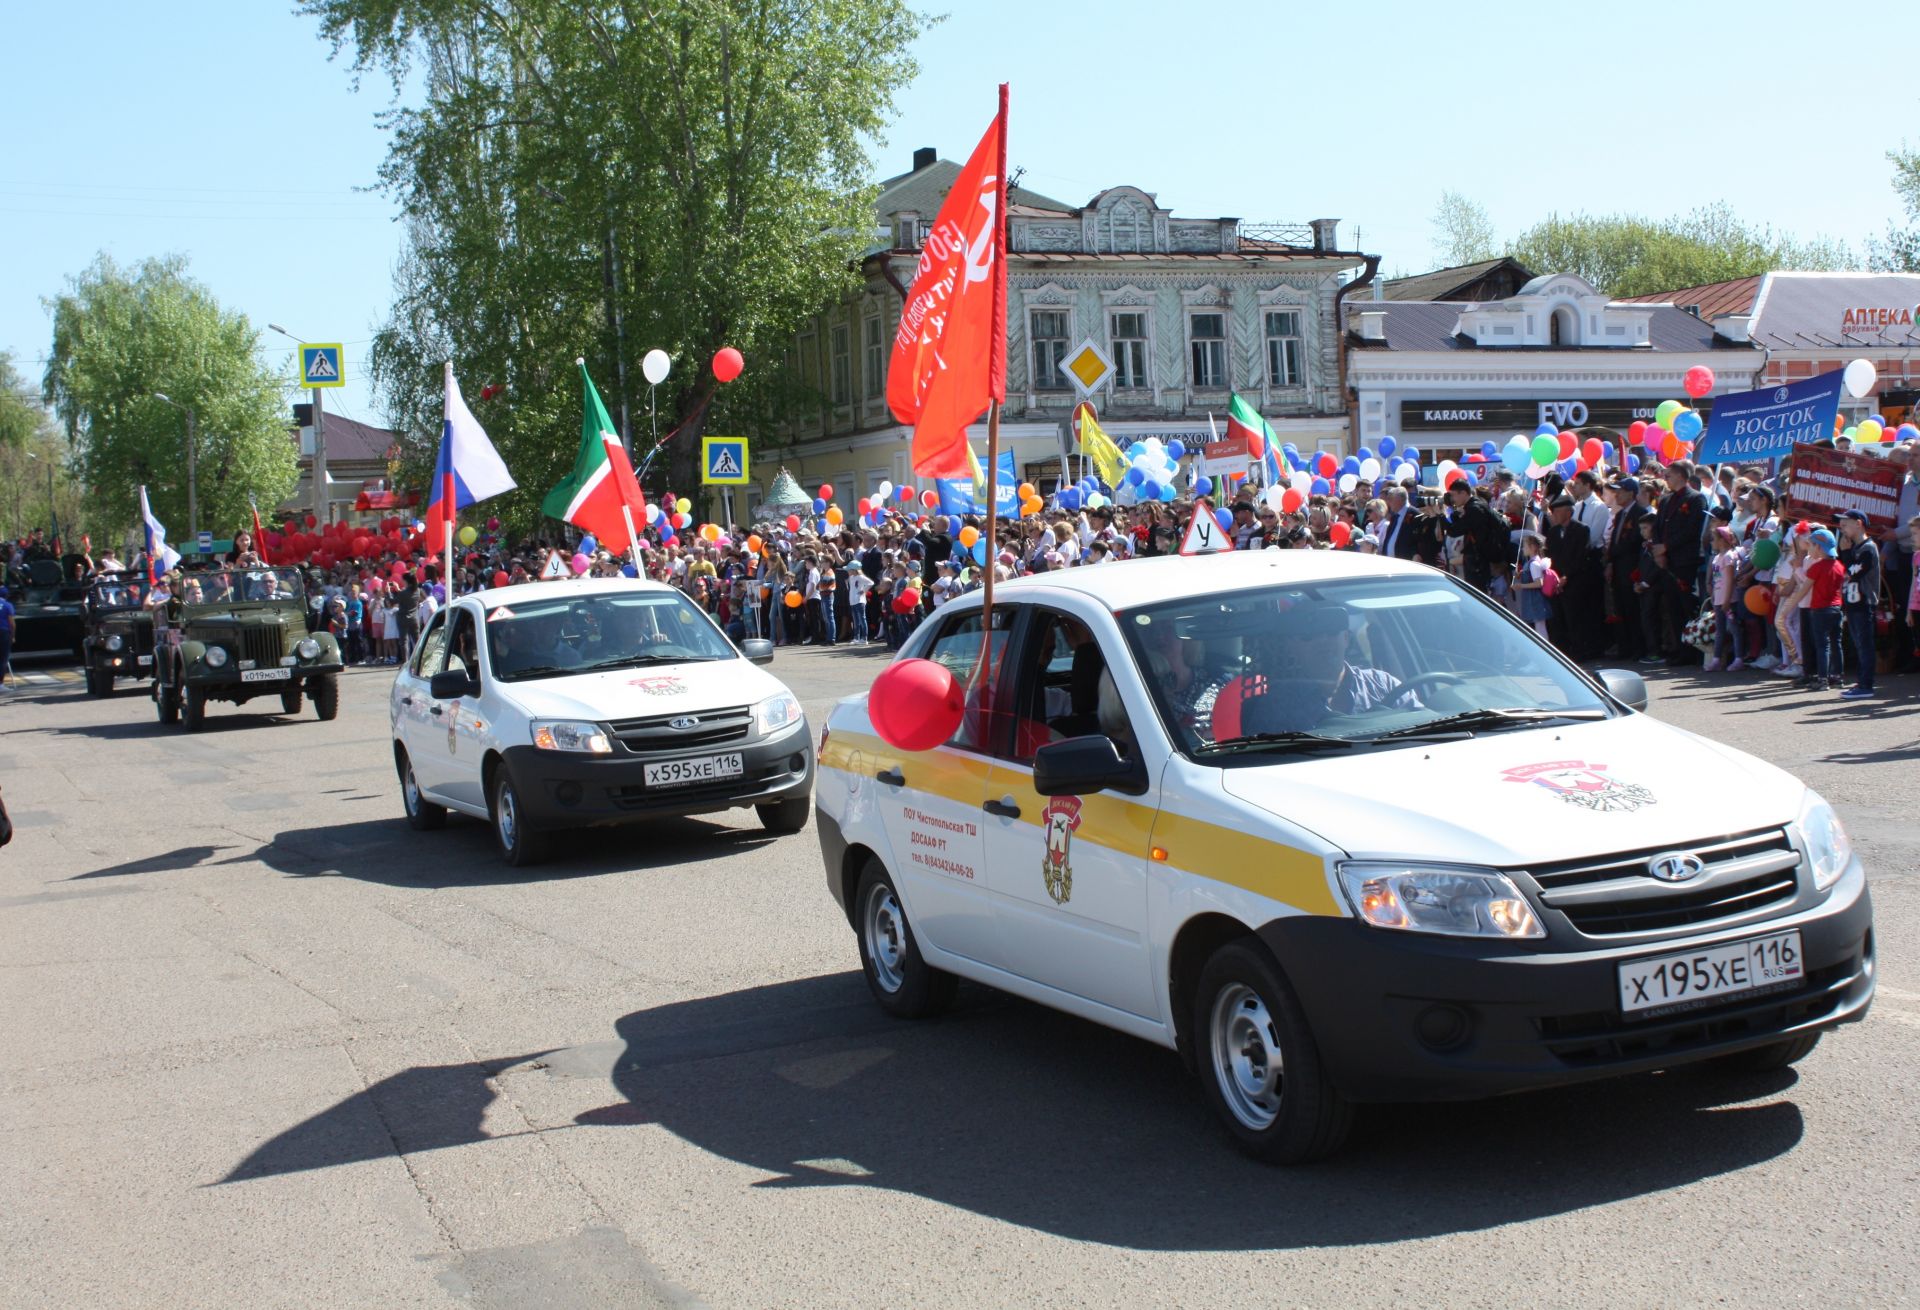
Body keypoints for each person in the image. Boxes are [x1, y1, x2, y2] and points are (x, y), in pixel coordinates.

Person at [1240, 602, 1423, 734]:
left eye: (1331, 633)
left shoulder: (1383, 685)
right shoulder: (1277, 705)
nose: (1323, 642)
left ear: (1346, 638)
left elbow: (1424, 730)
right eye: (1308, 636)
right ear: (1291, 646)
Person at [1834, 510, 1880, 700]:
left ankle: (1866, 685)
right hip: (1853, 604)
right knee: (1858, 644)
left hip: (1864, 603)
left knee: (1864, 644)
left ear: (1859, 523)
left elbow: (1854, 571)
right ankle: (1862, 681)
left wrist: (1845, 552)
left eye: (1846, 523)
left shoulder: (1868, 549)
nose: (1842, 527)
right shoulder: (1854, 548)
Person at [1801, 528, 1845, 691]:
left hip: (1819, 610)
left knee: (1822, 645)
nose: (1809, 548)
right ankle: (1838, 677)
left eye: (1811, 545)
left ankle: (1822, 679)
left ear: (1819, 547)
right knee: (1836, 643)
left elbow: (1804, 589)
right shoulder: (1839, 566)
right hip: (1836, 608)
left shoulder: (1817, 567)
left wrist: (1790, 604)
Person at [1513, 531, 1551, 638]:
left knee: (1540, 628)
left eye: (1525, 546)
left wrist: (1521, 586)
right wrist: (1519, 575)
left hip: (1535, 600)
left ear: (1533, 547)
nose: (1523, 548)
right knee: (1539, 627)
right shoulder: (1530, 563)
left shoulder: (1534, 563)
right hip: (1532, 600)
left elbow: (1539, 583)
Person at [0, 585, 13, 692]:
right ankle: (0, 684)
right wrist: (13, 636)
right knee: (3, 659)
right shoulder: (7, 605)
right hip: (3, 633)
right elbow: (12, 622)